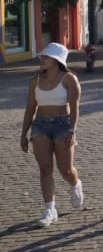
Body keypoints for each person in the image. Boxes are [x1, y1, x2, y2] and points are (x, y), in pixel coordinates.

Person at [20, 43, 83, 227]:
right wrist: (24, 133)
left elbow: (75, 108)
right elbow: (30, 108)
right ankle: (50, 209)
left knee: (66, 169)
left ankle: (75, 184)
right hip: (40, 125)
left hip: (63, 125)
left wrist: (72, 130)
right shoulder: (35, 80)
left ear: (56, 60)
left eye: (46, 57)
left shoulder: (69, 79)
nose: (41, 59)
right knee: (45, 168)